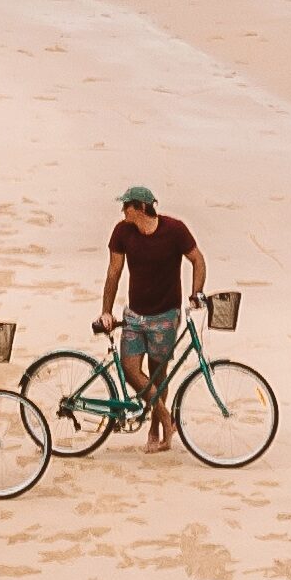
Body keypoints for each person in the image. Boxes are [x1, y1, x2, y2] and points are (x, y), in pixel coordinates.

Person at [94, 183, 207, 451]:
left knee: (159, 376)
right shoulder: (123, 232)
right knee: (130, 369)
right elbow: (114, 272)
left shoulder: (175, 230)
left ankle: (155, 431)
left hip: (166, 316)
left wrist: (196, 293)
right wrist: (107, 310)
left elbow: (198, 260)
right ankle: (166, 418)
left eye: (127, 206)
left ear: (141, 207)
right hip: (135, 315)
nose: (123, 211)